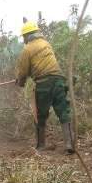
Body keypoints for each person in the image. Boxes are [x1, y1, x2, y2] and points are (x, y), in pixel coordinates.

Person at [15, 21, 74, 154]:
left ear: (27, 36)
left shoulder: (27, 49)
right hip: (59, 80)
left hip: (44, 83)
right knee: (63, 111)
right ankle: (70, 144)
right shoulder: (46, 44)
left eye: (23, 36)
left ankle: (41, 145)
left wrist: (20, 81)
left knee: (40, 115)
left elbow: (23, 71)